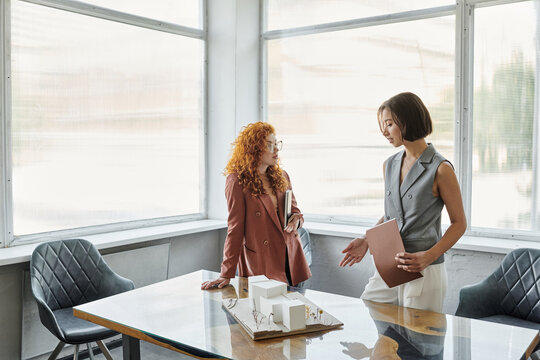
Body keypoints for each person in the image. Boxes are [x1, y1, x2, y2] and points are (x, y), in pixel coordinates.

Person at [339, 92, 467, 312]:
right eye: (382, 125)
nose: (384, 132)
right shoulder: (389, 165)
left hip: (424, 270)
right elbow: (393, 215)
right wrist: (367, 239)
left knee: (418, 343)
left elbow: (459, 223)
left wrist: (429, 256)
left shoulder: (441, 169)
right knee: (374, 325)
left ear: (407, 120)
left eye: (389, 124)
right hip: (389, 264)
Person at [201, 122, 311, 290]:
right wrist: (226, 273)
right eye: (269, 145)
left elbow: (295, 212)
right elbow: (235, 229)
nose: (276, 150)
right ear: (254, 148)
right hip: (262, 261)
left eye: (276, 144)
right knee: (265, 313)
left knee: (295, 311)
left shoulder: (282, 176)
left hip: (291, 257)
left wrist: (296, 221)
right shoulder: (237, 181)